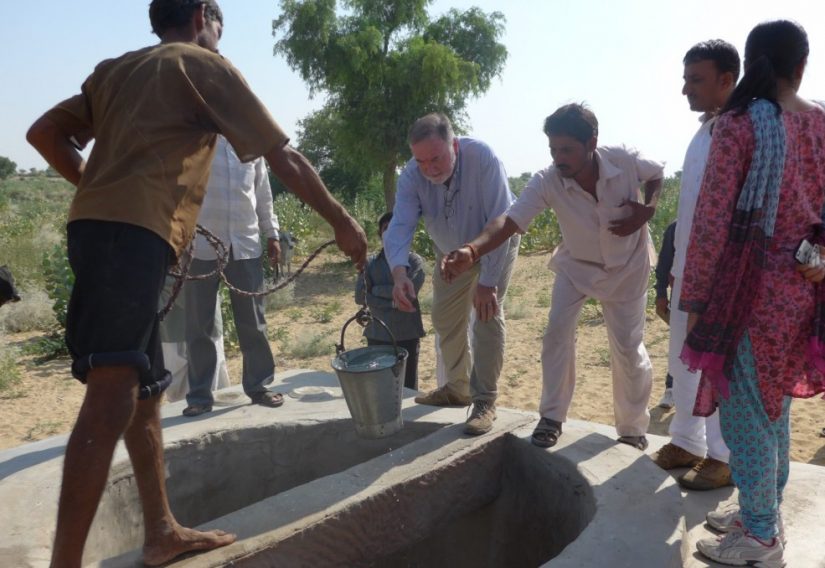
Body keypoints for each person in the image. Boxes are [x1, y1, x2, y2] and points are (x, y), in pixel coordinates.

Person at [25, 1, 367, 566]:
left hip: (112, 235)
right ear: (204, 15)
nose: (219, 35)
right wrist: (343, 221)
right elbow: (283, 155)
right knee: (111, 395)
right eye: (220, 24)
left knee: (146, 389)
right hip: (129, 239)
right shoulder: (203, 64)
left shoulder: (115, 70)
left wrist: (97, 188)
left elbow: (44, 134)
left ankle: (160, 532)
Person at [680, 21, 825, 566]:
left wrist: (695, 300)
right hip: (801, 296)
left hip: (748, 297)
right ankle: (762, 509)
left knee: (745, 414)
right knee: (774, 410)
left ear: (752, 63)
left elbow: (713, 222)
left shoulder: (739, 126)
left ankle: (761, 536)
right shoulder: (822, 124)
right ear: (801, 67)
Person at [442, 103, 663, 451]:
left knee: (627, 348)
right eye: (553, 150)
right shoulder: (548, 181)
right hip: (576, 266)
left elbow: (656, 175)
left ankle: (632, 430)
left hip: (627, 267)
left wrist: (648, 209)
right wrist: (472, 250)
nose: (559, 158)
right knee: (556, 335)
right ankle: (552, 417)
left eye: (567, 150)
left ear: (592, 142)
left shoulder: (623, 159)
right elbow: (509, 221)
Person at [383, 113, 520, 436]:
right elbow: (400, 224)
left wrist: (487, 283)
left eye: (437, 157)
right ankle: (458, 388)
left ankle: (485, 400)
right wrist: (399, 273)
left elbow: (502, 219)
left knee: (486, 314)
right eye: (421, 161)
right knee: (444, 318)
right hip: (449, 253)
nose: (430, 168)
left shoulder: (483, 158)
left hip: (494, 243)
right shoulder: (411, 177)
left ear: (454, 144)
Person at [650, 40, 739, 492]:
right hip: (688, 271)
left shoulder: (740, 128)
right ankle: (687, 442)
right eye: (685, 79)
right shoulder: (704, 130)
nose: (686, 89)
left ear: (727, 80)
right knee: (682, 362)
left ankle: (723, 458)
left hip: (722, 279)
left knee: (716, 366)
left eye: (696, 79)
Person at [182, 136, 283, 417]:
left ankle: (259, 386)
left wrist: (271, 234)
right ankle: (200, 395)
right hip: (200, 247)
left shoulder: (252, 147)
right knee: (199, 325)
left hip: (245, 244)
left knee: (254, 321)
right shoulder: (195, 144)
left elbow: (263, 194)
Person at [355, 211, 426, 390]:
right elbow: (360, 296)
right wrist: (395, 300)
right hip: (377, 334)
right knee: (379, 386)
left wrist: (377, 290)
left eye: (395, 227)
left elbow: (410, 294)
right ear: (380, 233)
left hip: (407, 333)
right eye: (386, 228)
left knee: (407, 387)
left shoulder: (415, 261)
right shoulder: (369, 263)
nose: (390, 232)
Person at [654, 220, 676, 409]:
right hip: (680, 295)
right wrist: (661, 293)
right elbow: (664, 263)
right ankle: (670, 390)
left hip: (712, 297)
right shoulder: (676, 227)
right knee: (677, 344)